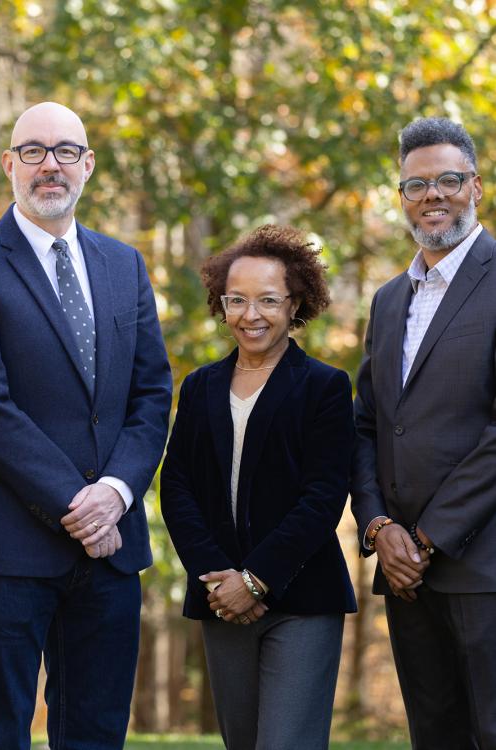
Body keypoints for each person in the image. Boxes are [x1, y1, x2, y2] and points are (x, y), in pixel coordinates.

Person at [0, 101, 172, 750]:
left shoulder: (124, 265)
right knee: (0, 731)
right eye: (33, 151)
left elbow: (152, 394)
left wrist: (115, 493)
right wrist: (77, 505)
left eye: (65, 151)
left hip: (111, 547)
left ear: (87, 165)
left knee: (97, 733)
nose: (50, 165)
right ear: (8, 164)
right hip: (7, 544)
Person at [160, 225, 356, 750]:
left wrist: (255, 580)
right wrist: (219, 580)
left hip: (302, 599)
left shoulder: (325, 386)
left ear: (296, 304)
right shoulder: (199, 386)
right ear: (220, 304)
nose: (252, 315)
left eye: (268, 300)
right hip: (221, 598)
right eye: (237, 300)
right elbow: (176, 487)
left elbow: (323, 498)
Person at [352, 116, 496, 748]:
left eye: (448, 180)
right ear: (402, 197)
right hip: (405, 575)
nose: (432, 195)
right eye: (417, 185)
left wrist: (428, 536)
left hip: (484, 566)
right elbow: (367, 425)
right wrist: (379, 527)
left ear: (476, 187)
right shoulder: (389, 300)